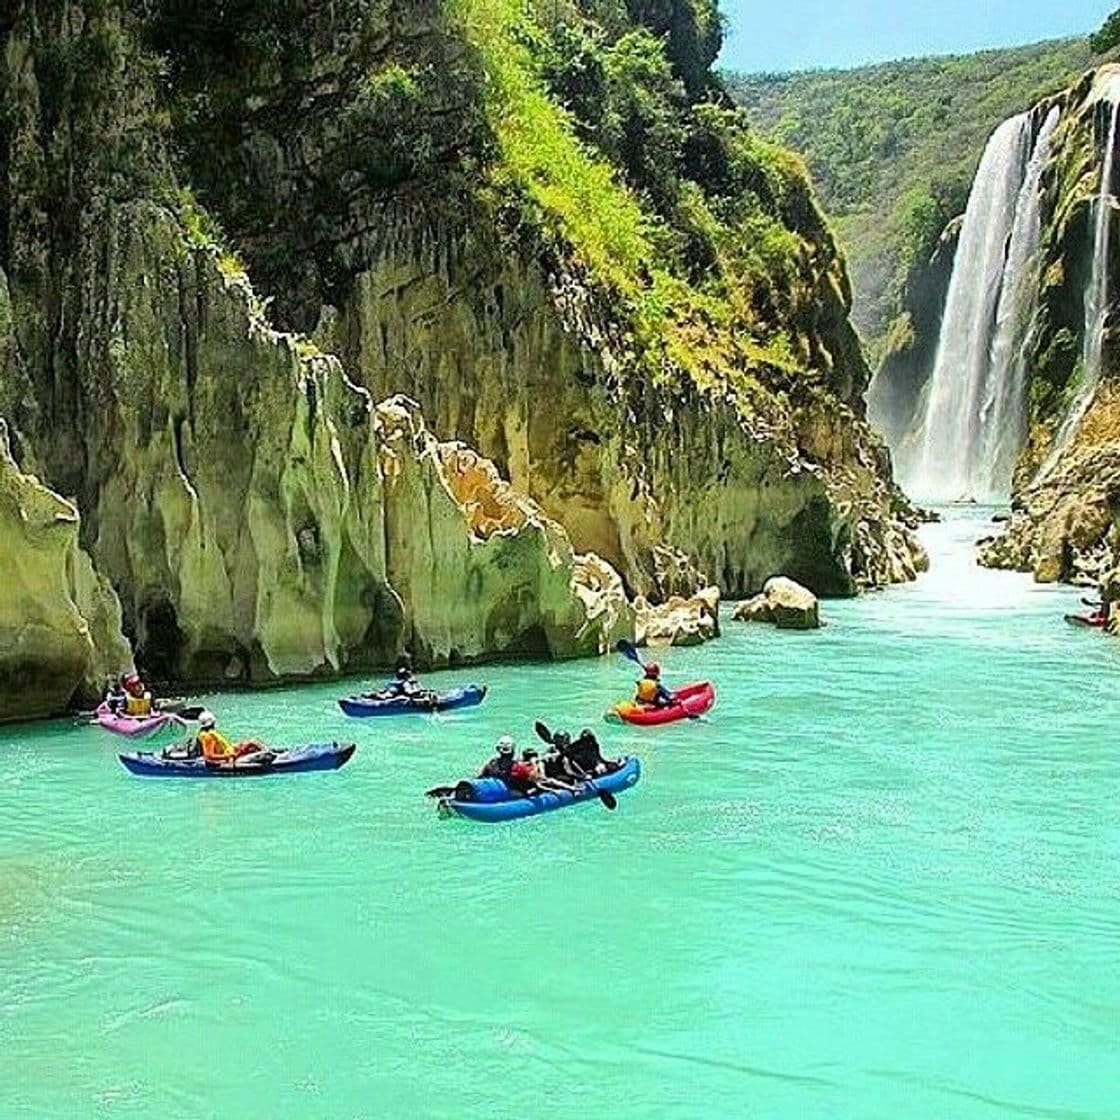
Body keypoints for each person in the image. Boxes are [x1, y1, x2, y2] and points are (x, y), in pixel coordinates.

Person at [195, 711, 269, 766]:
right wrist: (229, 756)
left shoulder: (207, 733)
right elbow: (209, 756)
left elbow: (220, 747)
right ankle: (268, 754)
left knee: (248, 744)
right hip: (229, 758)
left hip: (229, 753)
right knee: (252, 743)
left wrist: (236, 746)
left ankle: (267, 753)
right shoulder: (208, 736)